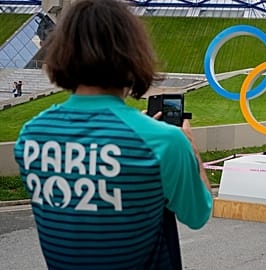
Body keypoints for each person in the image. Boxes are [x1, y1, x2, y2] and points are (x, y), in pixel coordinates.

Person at [14, 0, 212, 269]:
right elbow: (198, 214)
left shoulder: (31, 136)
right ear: (132, 55)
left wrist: (133, 129)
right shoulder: (166, 142)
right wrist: (190, 148)